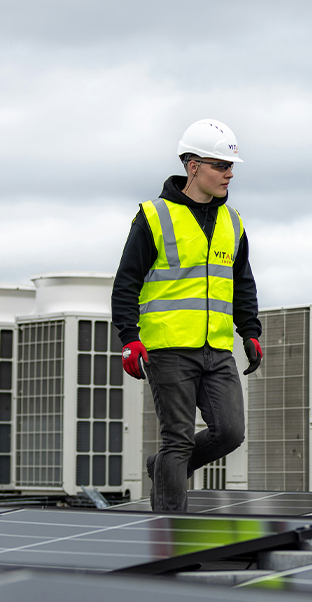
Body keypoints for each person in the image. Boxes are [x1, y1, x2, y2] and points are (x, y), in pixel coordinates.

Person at [111, 118, 262, 512]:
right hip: (169, 347)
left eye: (231, 167)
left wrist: (250, 330)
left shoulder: (234, 222)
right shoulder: (154, 217)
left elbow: (242, 281)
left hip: (217, 347)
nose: (229, 174)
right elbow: (126, 283)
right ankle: (169, 537)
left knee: (230, 432)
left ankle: (163, 469)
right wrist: (129, 338)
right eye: (221, 166)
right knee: (176, 440)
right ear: (193, 165)